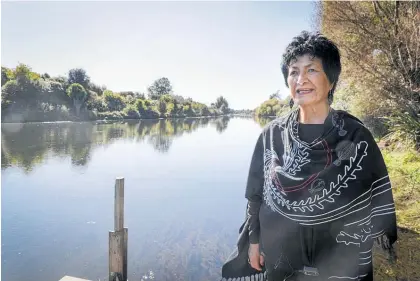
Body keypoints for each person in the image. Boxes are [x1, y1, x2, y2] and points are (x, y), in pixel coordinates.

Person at [220, 31, 397, 281]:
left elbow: (378, 197)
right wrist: (254, 242)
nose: (301, 79)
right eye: (294, 71)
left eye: (312, 70)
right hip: (281, 260)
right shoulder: (271, 136)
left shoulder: (357, 137)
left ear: (331, 81)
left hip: (342, 261)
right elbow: (256, 196)